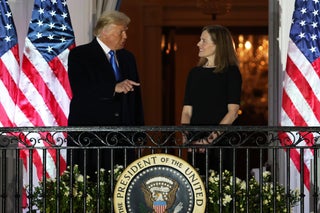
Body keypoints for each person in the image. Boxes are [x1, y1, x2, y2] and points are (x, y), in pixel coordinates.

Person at [67, 10, 144, 179]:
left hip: (123, 139)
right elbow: (81, 90)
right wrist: (113, 88)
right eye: (121, 31)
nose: (125, 36)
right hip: (92, 137)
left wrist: (139, 133)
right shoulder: (80, 55)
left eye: (126, 31)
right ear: (104, 31)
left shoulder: (128, 58)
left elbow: (135, 98)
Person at [180, 25, 242, 173]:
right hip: (195, 142)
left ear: (218, 45)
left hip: (221, 143)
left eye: (203, 40)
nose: (198, 44)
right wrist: (186, 136)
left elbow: (232, 113)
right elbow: (187, 110)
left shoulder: (231, 72)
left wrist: (209, 140)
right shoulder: (194, 73)